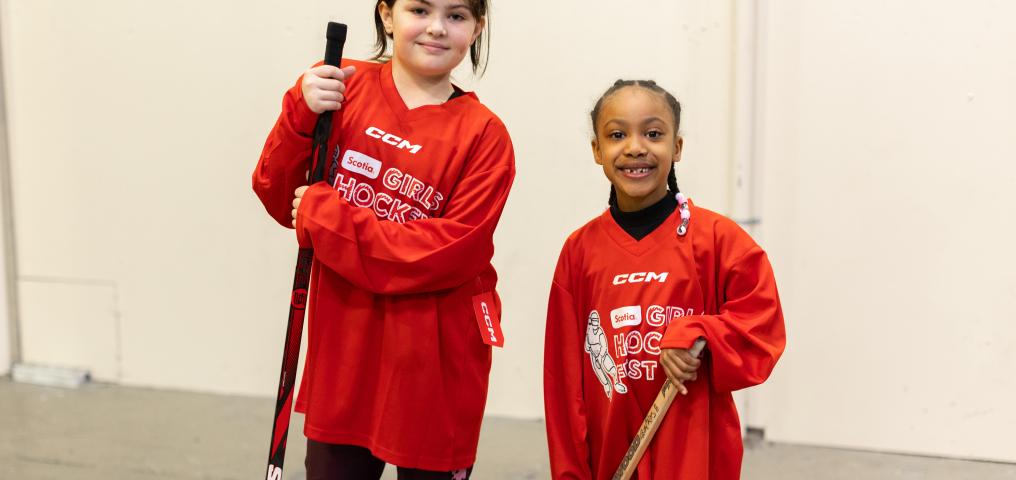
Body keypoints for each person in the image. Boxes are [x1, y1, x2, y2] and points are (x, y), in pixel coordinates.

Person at [252, 1, 514, 478]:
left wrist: (327, 216)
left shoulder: (485, 135)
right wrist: (300, 114)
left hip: (434, 362)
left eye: (457, 16)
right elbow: (277, 195)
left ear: (477, 28)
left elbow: (443, 254)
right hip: (345, 355)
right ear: (387, 14)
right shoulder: (336, 87)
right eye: (419, 9)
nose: (436, 28)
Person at [543, 79, 786, 479]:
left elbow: (763, 330)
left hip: (694, 455)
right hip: (610, 455)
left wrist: (696, 330)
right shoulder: (579, 250)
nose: (636, 147)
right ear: (597, 151)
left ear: (677, 147)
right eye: (617, 134)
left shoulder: (717, 239)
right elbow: (563, 380)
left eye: (653, 134)